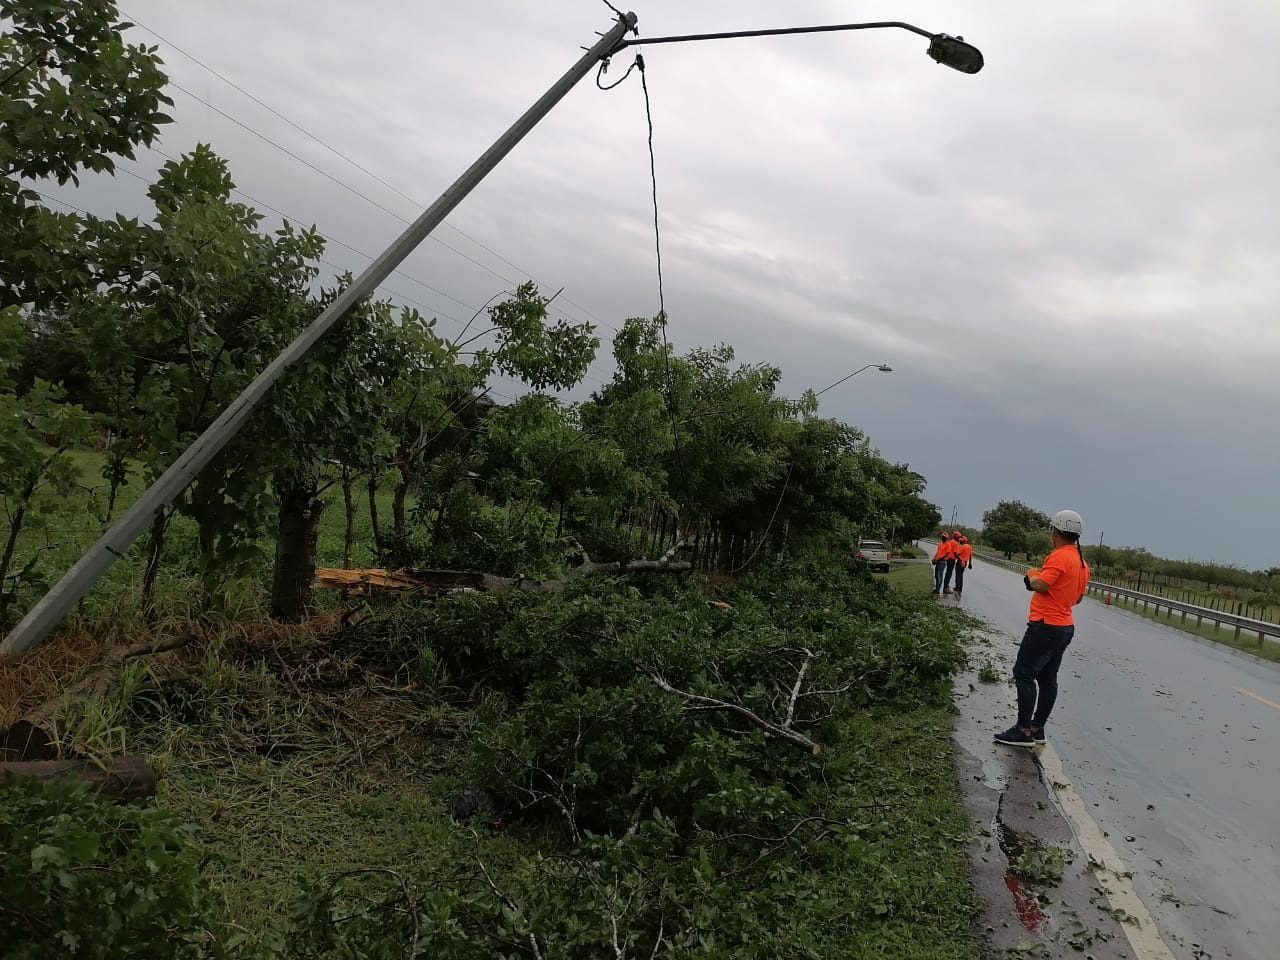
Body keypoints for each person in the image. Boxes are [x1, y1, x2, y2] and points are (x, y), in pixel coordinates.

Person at [995, 510, 1090, 747]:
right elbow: (1077, 598)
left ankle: (1023, 730)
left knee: (1024, 672)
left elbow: (1040, 584)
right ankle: (1038, 728)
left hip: (1045, 625)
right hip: (1065, 627)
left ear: (1055, 532)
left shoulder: (1059, 557)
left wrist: (1031, 574)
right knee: (1048, 677)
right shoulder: (1081, 562)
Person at [942, 530, 963, 594]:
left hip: (948, 559)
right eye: (959, 537)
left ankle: (946, 585)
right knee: (949, 574)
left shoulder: (951, 541)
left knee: (948, 573)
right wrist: (961, 560)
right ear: (956, 537)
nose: (959, 538)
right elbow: (955, 554)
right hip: (951, 559)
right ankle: (945, 588)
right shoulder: (955, 543)